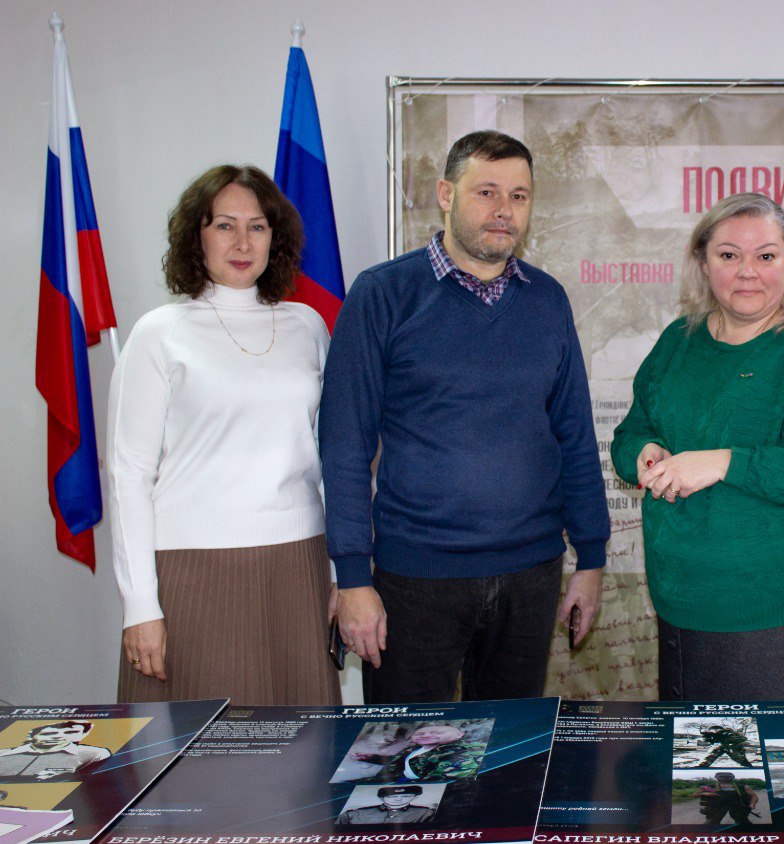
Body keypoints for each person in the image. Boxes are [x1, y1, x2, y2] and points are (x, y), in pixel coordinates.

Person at [321, 130, 609, 703]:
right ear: (446, 194)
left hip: (531, 574)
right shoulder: (383, 294)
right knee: (402, 752)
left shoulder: (547, 300)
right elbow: (344, 444)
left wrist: (592, 557)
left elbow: (574, 435)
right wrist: (351, 578)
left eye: (519, 196)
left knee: (511, 750)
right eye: (487, 191)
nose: (504, 209)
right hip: (416, 578)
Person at [611, 193, 784, 700]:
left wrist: (726, 463)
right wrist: (644, 451)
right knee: (694, 753)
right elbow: (630, 434)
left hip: (770, 614)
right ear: (703, 263)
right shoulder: (677, 341)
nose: (747, 271)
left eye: (766, 256)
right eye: (729, 255)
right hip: (679, 603)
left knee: (775, 752)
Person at [108, 165, 338, 705]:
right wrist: (140, 606)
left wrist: (337, 573)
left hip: (297, 566)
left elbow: (331, 459)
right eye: (224, 226)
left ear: (275, 238)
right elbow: (128, 475)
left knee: (304, 743)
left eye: (257, 227)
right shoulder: (159, 333)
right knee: (198, 747)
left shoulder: (308, 326)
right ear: (197, 236)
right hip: (193, 570)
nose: (242, 243)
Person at [371, 725, 486, 782]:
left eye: (437, 732)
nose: (426, 735)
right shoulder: (412, 750)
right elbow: (394, 764)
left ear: (459, 734)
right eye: (420, 734)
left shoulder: (466, 749)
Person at [0, 721, 110, 780]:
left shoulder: (95, 754)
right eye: (49, 733)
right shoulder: (3, 753)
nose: (59, 737)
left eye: (70, 733)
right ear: (31, 736)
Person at [338, 785, 435, 826]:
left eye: (406, 796)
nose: (398, 799)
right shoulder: (355, 814)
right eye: (392, 796)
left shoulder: (426, 813)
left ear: (415, 797)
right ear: (381, 798)